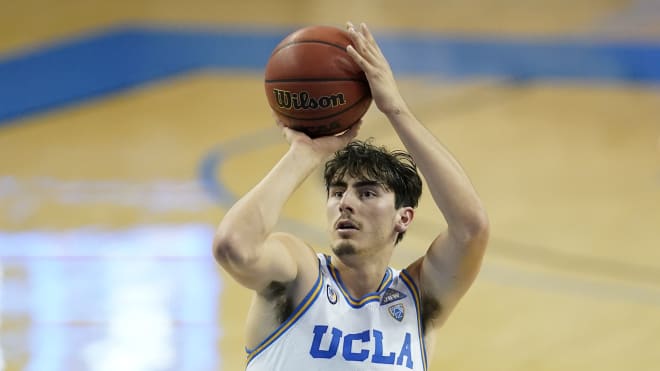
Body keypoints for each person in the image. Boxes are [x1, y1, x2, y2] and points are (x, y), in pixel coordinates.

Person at [213, 21, 489, 371]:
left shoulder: (418, 300)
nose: (345, 202)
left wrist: (396, 110)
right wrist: (303, 154)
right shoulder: (301, 276)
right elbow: (232, 245)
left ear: (403, 217)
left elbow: (471, 228)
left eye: (367, 193)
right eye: (337, 192)